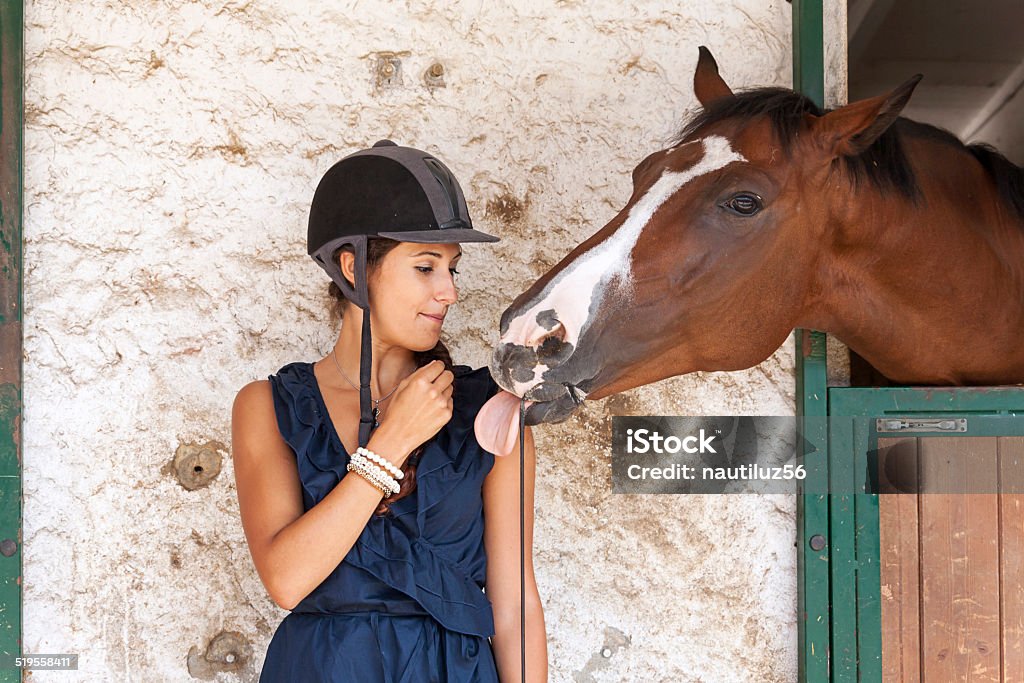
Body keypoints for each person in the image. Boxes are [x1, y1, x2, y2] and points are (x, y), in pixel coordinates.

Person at [231, 140, 548, 681]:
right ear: (353, 269)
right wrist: (390, 443)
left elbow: (516, 602)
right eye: (425, 266)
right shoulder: (268, 406)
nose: (448, 292)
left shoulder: (488, 410)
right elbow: (286, 580)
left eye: (453, 268)